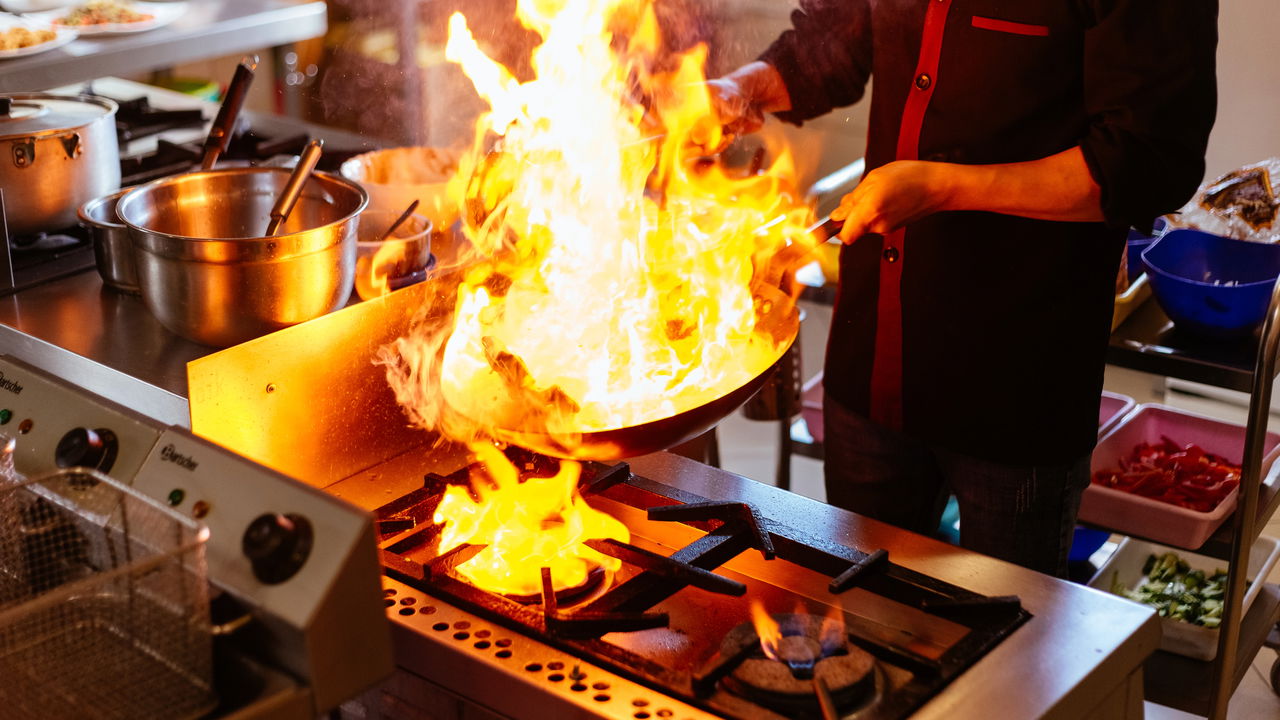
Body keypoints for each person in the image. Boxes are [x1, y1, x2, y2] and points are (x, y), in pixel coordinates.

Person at [710, 1, 1218, 576]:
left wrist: (943, 188)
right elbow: (833, 42)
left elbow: (1147, 163)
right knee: (861, 619)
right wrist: (738, 89)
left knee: (1007, 639)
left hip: (1015, 383)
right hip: (872, 362)